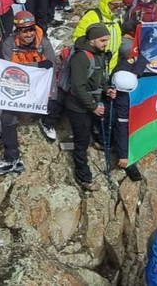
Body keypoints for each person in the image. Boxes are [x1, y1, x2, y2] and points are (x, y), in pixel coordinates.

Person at [0, 10, 58, 175]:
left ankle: (47, 122)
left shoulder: (43, 42)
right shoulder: (9, 44)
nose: (29, 34)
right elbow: (10, 69)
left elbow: (52, 66)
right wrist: (37, 66)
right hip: (18, 84)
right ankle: (12, 156)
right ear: (18, 31)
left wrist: (51, 94)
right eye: (25, 31)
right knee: (7, 117)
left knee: (55, 101)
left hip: (39, 85)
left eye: (31, 29)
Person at [63, 23, 115, 191]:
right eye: (103, 40)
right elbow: (78, 87)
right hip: (78, 107)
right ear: (92, 40)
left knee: (92, 129)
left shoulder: (98, 54)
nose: (106, 43)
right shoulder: (82, 58)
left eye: (107, 40)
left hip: (91, 103)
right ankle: (83, 176)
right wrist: (93, 107)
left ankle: (96, 141)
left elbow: (99, 79)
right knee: (81, 141)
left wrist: (107, 90)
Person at [72, 0, 124, 74]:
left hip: (112, 65)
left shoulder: (118, 18)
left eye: (121, 4)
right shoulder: (92, 16)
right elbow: (78, 39)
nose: (118, 8)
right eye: (115, 4)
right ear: (106, 2)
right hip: (94, 64)